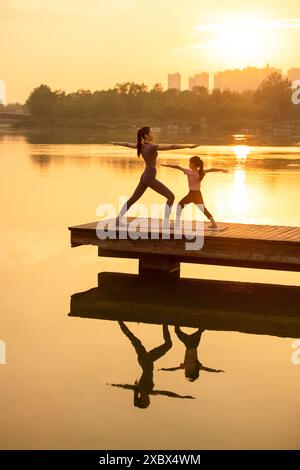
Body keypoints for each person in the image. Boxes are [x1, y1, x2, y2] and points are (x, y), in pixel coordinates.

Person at [111, 127, 198, 225]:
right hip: (149, 176)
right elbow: (172, 146)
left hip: (145, 175)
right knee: (171, 196)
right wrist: (188, 146)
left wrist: (116, 143)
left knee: (133, 198)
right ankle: (166, 222)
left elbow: (127, 144)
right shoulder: (151, 147)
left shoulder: (141, 146)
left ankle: (118, 219)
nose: (153, 134)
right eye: (151, 132)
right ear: (146, 135)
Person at [109, 322, 195, 408]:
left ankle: (165, 322)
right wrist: (113, 385)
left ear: (142, 400)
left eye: (147, 402)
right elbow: (167, 394)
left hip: (147, 362)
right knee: (134, 340)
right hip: (142, 362)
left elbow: (167, 393)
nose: (149, 401)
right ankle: (120, 322)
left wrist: (181, 397)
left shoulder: (147, 391)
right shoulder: (137, 389)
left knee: (168, 344)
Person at [161, 156, 228, 229]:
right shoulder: (201, 172)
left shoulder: (188, 171)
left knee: (179, 206)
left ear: (193, 164)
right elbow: (212, 169)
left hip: (191, 194)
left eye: (190, 162)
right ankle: (214, 224)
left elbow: (177, 167)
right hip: (198, 194)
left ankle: (177, 224)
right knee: (203, 209)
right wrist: (222, 169)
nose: (189, 164)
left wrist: (167, 165)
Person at [159, 325, 224, 382]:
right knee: (178, 330)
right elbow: (207, 369)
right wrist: (216, 371)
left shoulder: (195, 367)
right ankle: (168, 322)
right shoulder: (192, 367)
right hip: (190, 344)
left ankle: (173, 321)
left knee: (199, 330)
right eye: (187, 374)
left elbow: (174, 369)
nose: (185, 373)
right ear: (190, 373)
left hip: (192, 344)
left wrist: (165, 369)